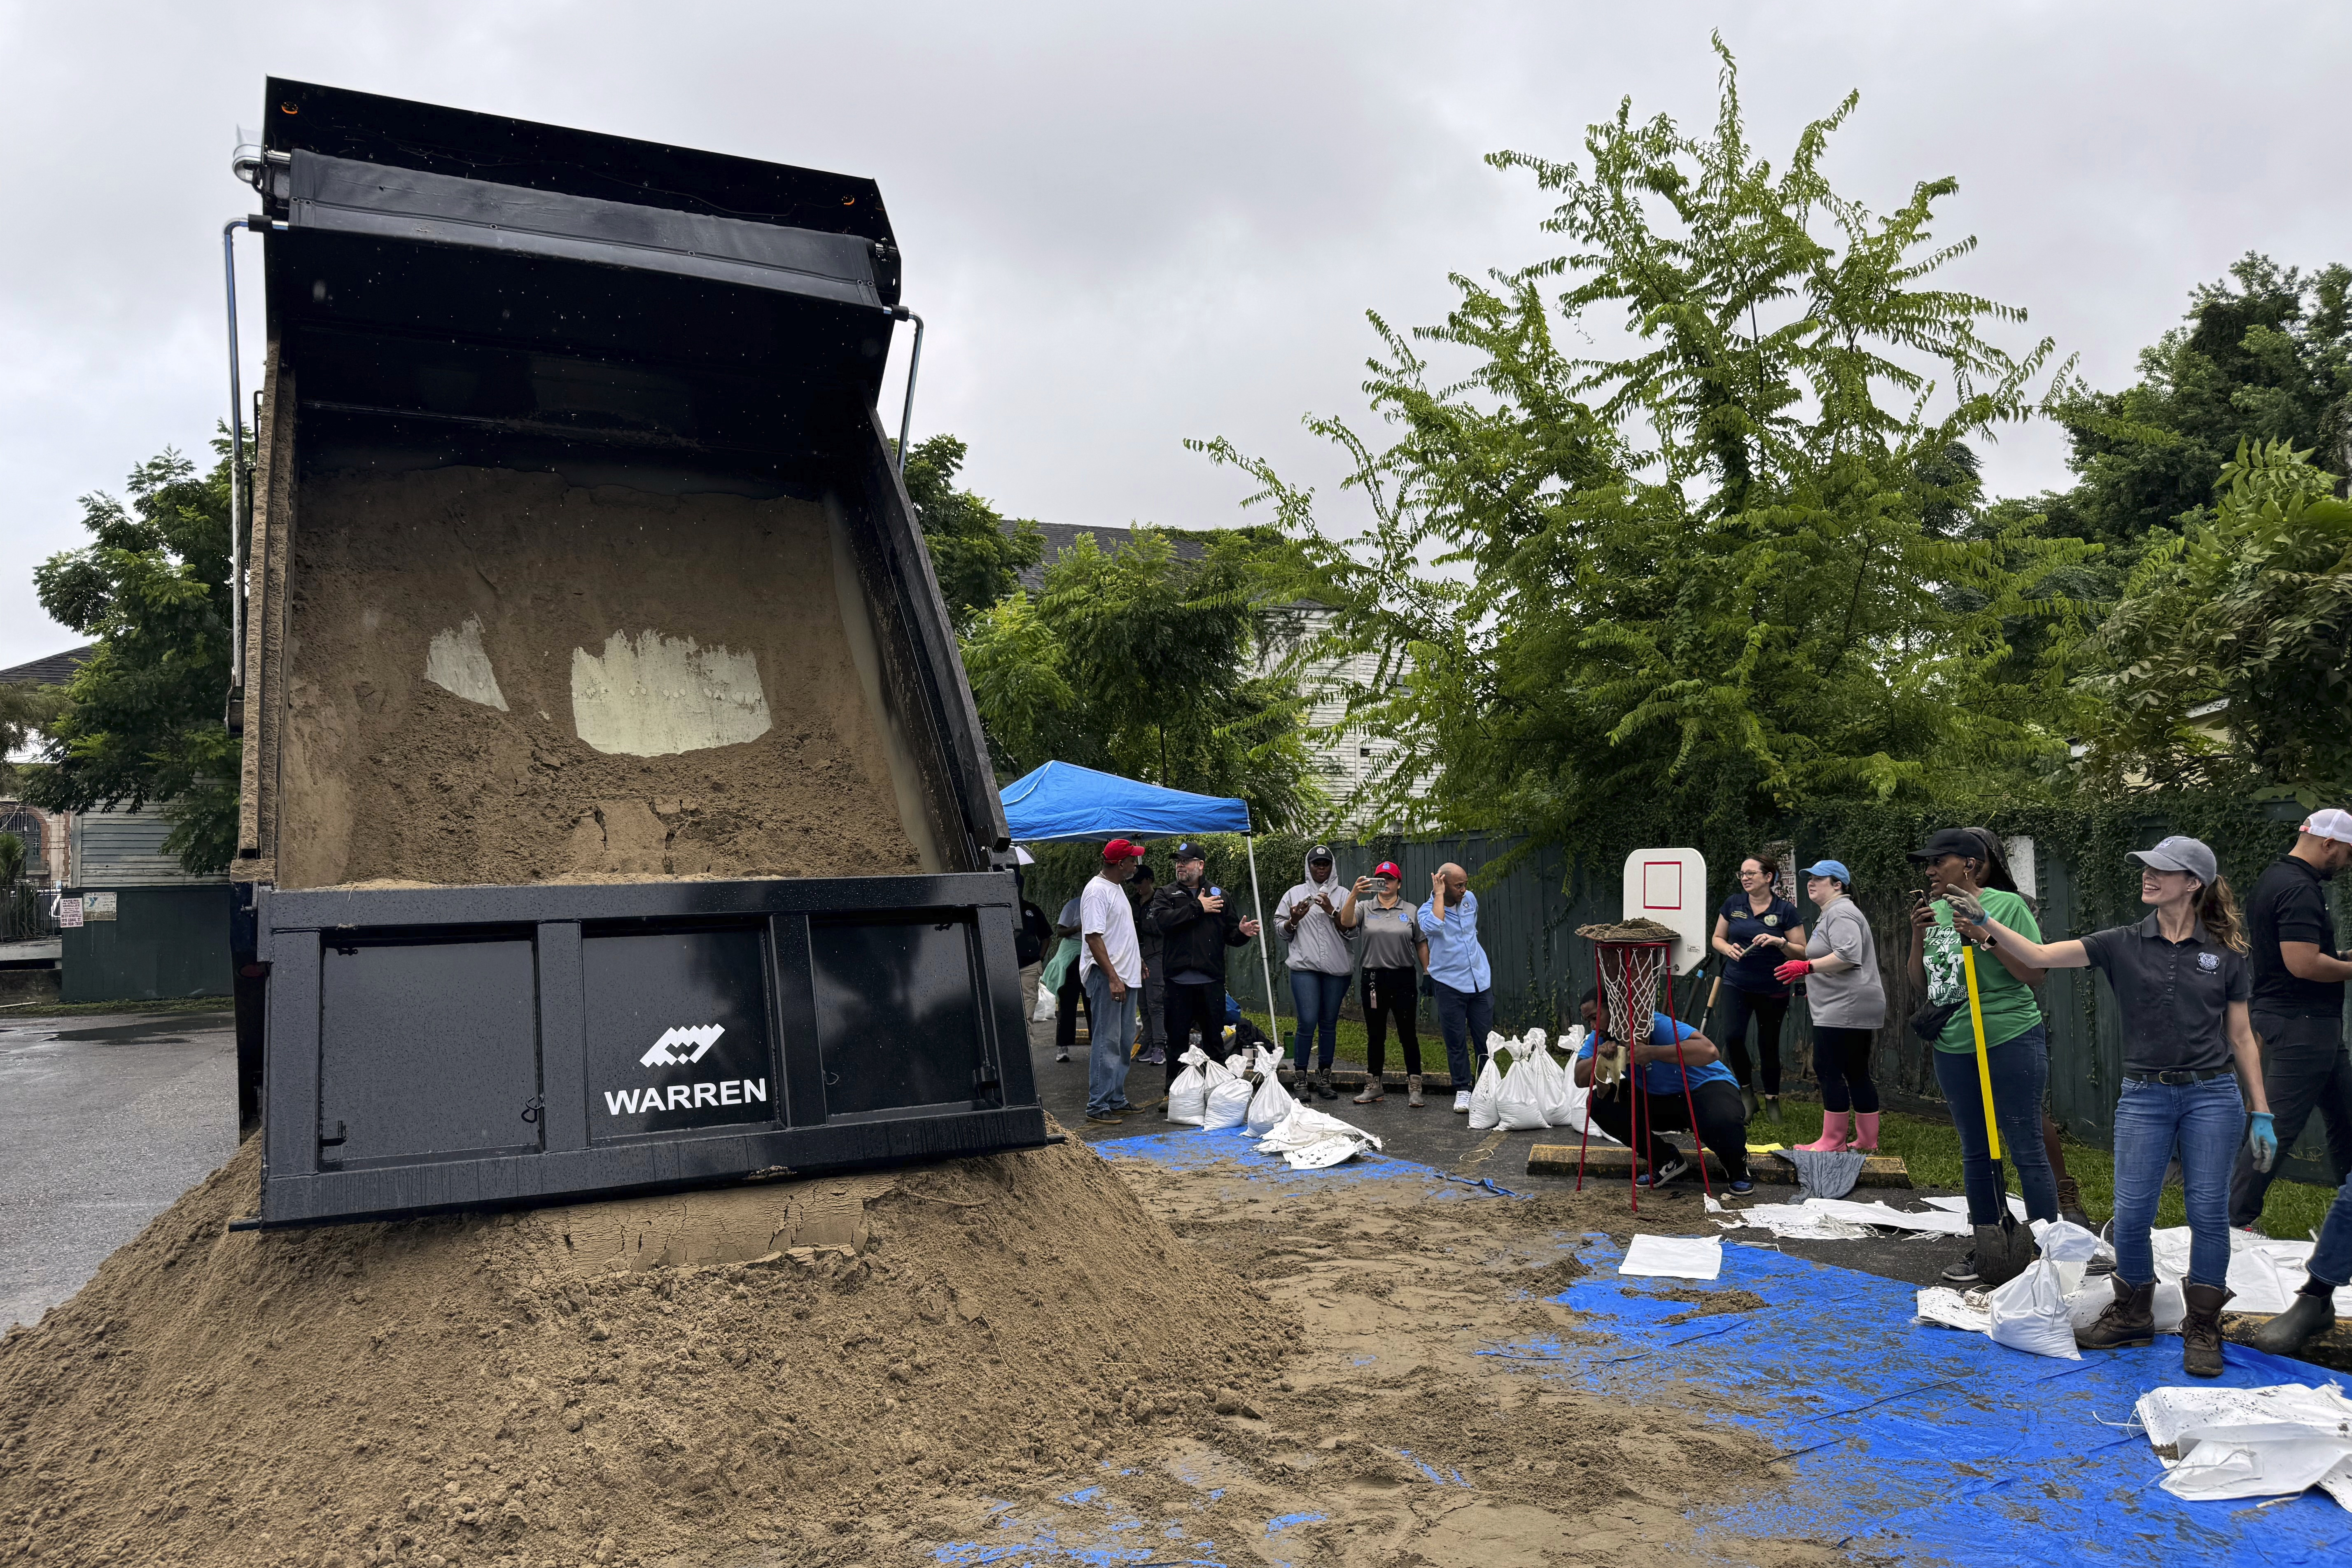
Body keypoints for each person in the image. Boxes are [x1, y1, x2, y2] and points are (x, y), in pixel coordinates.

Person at [1962, 834, 2276, 1378]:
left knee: (2208, 1212)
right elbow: (2038, 956)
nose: (2148, 875)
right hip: (2145, 1096)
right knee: (2131, 1213)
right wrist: (1984, 921)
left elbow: (2243, 1036)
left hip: (2212, 1095)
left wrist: (2262, 1110)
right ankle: (2133, 1312)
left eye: (2162, 869)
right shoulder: (2121, 942)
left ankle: (2203, 1326)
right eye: (2146, 867)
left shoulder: (2226, 955)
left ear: (2193, 883)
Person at [1906, 826, 2060, 1287]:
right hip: (1955, 1043)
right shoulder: (1933, 912)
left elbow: (2035, 972)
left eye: (1939, 861)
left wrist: (1982, 934)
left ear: (1970, 864)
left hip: (2009, 1036)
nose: (1930, 870)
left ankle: (2045, 1251)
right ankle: (1991, 1246)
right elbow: (1926, 986)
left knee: (2025, 1144)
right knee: (1976, 1149)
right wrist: (1918, 939)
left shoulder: (2008, 906)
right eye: (1928, 864)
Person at [2230, 808, 2352, 1232]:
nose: (2347, 864)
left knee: (2347, 1118)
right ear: (2329, 844)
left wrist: (2341, 960)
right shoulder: (2299, 889)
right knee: (2276, 1125)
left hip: (2301, 1019)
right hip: (2302, 1024)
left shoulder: (2276, 878)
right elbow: (2302, 963)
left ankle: (2349, 1211)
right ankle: (2234, 1221)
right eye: (2348, 854)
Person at [1575, 986, 1753, 1193]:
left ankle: (1736, 1166)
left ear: (1614, 1009)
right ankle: (1666, 1160)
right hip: (1658, 1098)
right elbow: (1579, 1078)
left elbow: (1710, 1051)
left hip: (1703, 1088)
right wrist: (1601, 1058)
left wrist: (1652, 1052)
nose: (1594, 1026)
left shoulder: (1653, 1024)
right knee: (1598, 1103)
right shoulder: (1602, 1037)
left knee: (1722, 1119)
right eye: (1589, 1022)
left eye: (1596, 1017)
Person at [1769, 859, 1885, 1153]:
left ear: (1838, 885)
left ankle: (1833, 1142)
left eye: (1820, 878)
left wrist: (1806, 968)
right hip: (1849, 1004)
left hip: (1845, 1007)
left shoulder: (1842, 912)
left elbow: (1848, 956)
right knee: (1856, 1070)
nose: (1811, 882)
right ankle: (1867, 1141)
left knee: (1827, 1067)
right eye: (1810, 877)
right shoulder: (1833, 913)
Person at [1145, 842, 1263, 1104]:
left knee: (1214, 1042)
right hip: (1177, 984)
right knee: (1177, 1042)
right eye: (1178, 861)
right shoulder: (1166, 894)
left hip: (1211, 983)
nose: (1180, 865)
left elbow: (1230, 934)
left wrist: (1242, 934)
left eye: (1186, 861)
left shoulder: (1219, 895)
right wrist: (1198, 908)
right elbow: (1161, 922)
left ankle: (1218, 1094)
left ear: (1200, 865)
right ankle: (1172, 1095)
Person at [1710, 854, 1805, 1122]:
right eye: (1742, 874)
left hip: (1773, 986)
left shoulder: (1785, 910)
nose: (1746, 878)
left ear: (1768, 877)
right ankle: (1747, 1096)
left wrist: (1779, 942)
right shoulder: (1733, 904)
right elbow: (1717, 938)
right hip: (1736, 983)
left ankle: (1773, 1101)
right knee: (1733, 1037)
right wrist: (1728, 948)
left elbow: (1803, 952)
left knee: (1768, 1044)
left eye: (1751, 873)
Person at [1343, 861, 1426, 1106]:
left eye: (1390, 879)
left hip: (1403, 977)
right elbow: (1346, 923)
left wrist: (1428, 972)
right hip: (1373, 978)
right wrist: (1354, 894)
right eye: (1381, 879)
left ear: (1399, 883)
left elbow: (1421, 942)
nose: (1386, 883)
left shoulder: (1411, 910)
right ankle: (1374, 1085)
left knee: (1408, 1034)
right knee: (1375, 1034)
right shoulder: (1364, 907)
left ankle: (1415, 1086)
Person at [1077, 839, 1146, 1125]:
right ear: (1121, 864)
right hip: (1109, 977)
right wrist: (1113, 977)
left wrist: (1136, 961)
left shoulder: (1115, 888)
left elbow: (1120, 933)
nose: (1136, 865)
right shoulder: (1096, 892)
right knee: (1107, 1041)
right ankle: (1098, 1105)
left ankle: (1115, 1098)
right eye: (1133, 860)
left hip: (1123, 976)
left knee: (1123, 1039)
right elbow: (1093, 937)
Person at [1279, 844, 1352, 1100]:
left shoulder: (1344, 895)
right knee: (1308, 1021)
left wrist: (1332, 911)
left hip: (1336, 969)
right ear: (1308, 867)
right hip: (1305, 968)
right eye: (1315, 864)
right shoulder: (1294, 894)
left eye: (1325, 864)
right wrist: (1294, 920)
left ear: (1332, 867)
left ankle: (1324, 1078)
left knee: (1329, 1024)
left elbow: (1353, 931)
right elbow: (1281, 930)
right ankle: (1300, 1078)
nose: (1321, 868)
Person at [1420, 863, 1494, 1113]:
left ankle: (1487, 1089)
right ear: (1443, 884)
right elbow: (1435, 926)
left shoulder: (1470, 900)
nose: (1464, 890)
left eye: (1466, 884)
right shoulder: (1427, 910)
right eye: (1458, 885)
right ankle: (1463, 1090)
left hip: (1480, 981)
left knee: (1485, 1040)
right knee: (1456, 1041)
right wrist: (1439, 895)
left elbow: (1471, 931)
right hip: (1450, 984)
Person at [1127, 863, 1167, 1067]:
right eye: (1135, 884)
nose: (1138, 888)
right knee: (1143, 1004)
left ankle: (1160, 1045)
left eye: (1141, 883)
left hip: (1156, 955)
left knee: (1156, 1002)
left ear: (1150, 880)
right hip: (1137, 955)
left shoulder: (1161, 900)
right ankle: (1150, 1043)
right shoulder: (1133, 902)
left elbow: (1163, 926)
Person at [1049, 894, 1089, 1064]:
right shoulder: (1073, 905)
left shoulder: (1103, 905)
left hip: (1091, 956)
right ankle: (1063, 1048)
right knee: (1067, 1005)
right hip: (1072, 958)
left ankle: (1099, 1046)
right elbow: (1060, 931)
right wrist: (1078, 928)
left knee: (1093, 1004)